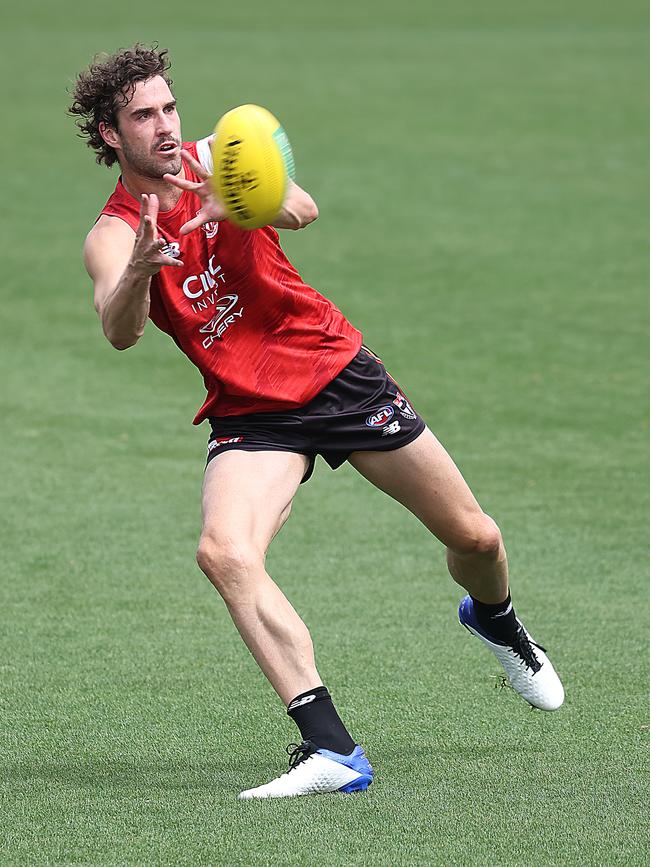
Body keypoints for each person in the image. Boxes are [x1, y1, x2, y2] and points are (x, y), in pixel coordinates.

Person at [70, 44, 564, 800]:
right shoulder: (111, 233)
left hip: (330, 370)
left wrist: (235, 198)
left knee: (476, 537)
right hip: (250, 409)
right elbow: (119, 328)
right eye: (144, 116)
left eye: (169, 107)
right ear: (110, 134)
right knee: (223, 551)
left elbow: (303, 208)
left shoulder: (222, 156)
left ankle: (496, 619)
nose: (165, 125)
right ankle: (330, 746)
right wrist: (144, 262)